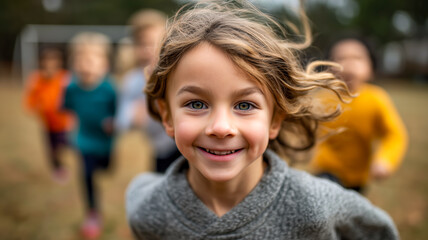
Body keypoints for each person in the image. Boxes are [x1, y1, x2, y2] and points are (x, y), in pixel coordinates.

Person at [126, 1, 399, 239]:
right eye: (196, 104)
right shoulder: (147, 207)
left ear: (274, 121)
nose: (221, 127)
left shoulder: (316, 206)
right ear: (167, 115)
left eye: (244, 105)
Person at [310, 36, 408, 193]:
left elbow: (394, 135)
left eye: (357, 58)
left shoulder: (376, 99)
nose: (348, 64)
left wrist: (385, 161)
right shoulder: (321, 99)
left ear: (371, 68)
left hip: (358, 178)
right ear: (328, 68)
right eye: (340, 58)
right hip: (325, 172)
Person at [63, 32, 117, 239]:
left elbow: (117, 112)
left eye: (91, 59)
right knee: (86, 175)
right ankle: (92, 213)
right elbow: (68, 110)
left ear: (103, 64)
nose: (85, 64)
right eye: (80, 58)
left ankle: (105, 164)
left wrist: (112, 123)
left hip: (106, 142)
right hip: (83, 141)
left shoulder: (109, 89)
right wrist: (69, 131)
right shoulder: (72, 88)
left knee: (105, 168)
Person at [115, 9, 180, 173]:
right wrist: (132, 115)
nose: (150, 49)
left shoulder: (178, 70)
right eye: (143, 44)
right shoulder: (134, 80)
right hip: (161, 148)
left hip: (185, 142)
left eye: (155, 42)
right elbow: (122, 119)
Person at [24, 47, 73, 183]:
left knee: (63, 146)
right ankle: (58, 170)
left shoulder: (65, 78)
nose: (50, 66)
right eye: (47, 63)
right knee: (52, 150)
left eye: (54, 63)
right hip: (48, 124)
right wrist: (36, 106)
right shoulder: (37, 79)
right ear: (42, 63)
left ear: (59, 63)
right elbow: (30, 101)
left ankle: (63, 166)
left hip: (64, 123)